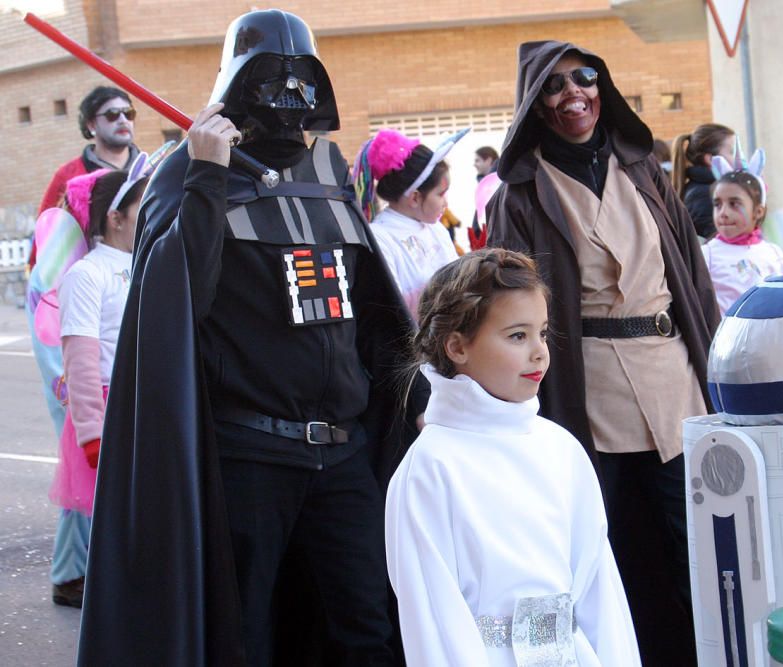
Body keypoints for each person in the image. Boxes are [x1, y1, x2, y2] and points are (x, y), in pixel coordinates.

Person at [78, 10, 424, 666]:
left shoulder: (327, 167)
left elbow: (370, 308)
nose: (288, 99)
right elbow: (178, 300)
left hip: (343, 455)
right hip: (251, 456)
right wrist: (208, 176)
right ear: (235, 82)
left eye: (302, 81)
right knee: (245, 634)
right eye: (270, 79)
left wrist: (416, 390)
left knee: (367, 624)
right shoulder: (189, 169)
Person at [487, 40, 720, 665]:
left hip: (675, 385)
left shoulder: (644, 171)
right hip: (584, 395)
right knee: (599, 552)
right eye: (556, 87)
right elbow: (503, 307)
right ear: (536, 106)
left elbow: (694, 282)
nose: (574, 95)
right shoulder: (520, 194)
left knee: (697, 546)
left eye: (584, 79)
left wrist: (719, 366)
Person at [386, 248, 641, 666]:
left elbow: (601, 595)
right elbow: (434, 622)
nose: (539, 351)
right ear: (457, 347)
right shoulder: (431, 468)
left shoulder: (561, 449)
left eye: (542, 332)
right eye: (517, 336)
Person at [49, 161, 149, 608]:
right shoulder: (87, 275)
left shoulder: (146, 264)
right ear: (116, 216)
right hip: (111, 413)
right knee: (117, 526)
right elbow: (82, 360)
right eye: (142, 204)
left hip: (146, 407)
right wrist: (92, 433)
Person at [354, 128, 462, 318]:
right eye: (440, 194)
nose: (446, 202)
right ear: (414, 197)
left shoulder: (436, 229)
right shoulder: (380, 238)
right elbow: (390, 309)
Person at [31, 86, 141, 269]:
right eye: (112, 114)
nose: (123, 120)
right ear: (91, 125)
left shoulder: (152, 171)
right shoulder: (68, 176)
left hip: (142, 277)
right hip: (88, 282)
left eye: (128, 113)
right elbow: (45, 236)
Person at [700, 145, 783, 314]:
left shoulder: (774, 255)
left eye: (734, 204)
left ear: (758, 211)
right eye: (717, 204)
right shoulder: (707, 256)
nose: (723, 213)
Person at [670, 123, 735, 240]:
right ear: (710, 159)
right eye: (732, 152)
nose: (738, 158)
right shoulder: (702, 195)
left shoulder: (711, 188)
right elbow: (719, 241)